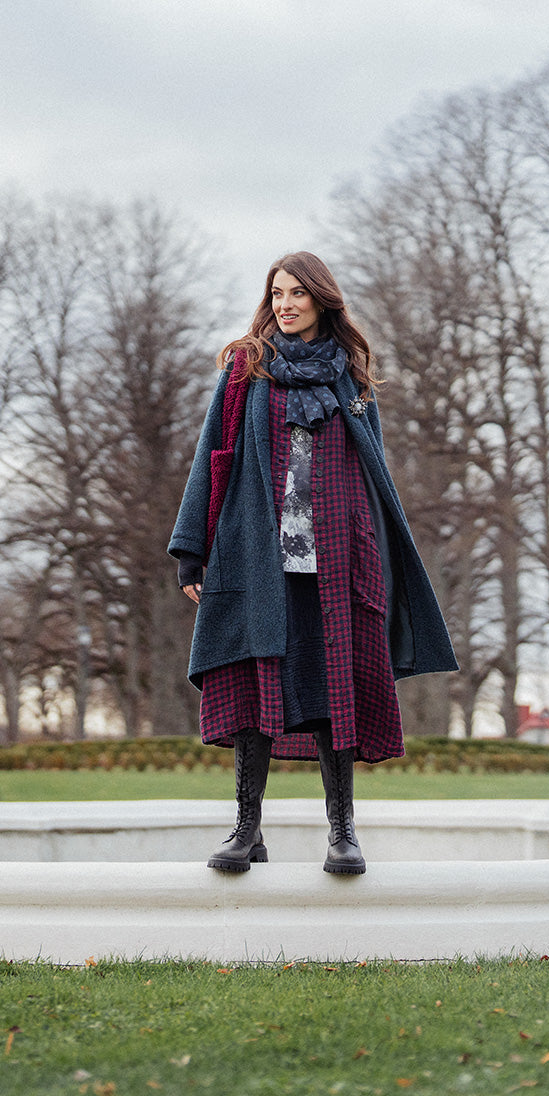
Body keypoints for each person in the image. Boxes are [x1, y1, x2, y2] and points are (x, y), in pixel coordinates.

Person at [169, 251, 457, 875]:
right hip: (257, 558)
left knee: (334, 690)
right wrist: (193, 550)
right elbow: (211, 456)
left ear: (323, 300)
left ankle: (343, 833)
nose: (285, 305)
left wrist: (378, 554)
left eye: (298, 294)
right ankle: (246, 829)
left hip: (339, 559)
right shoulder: (246, 371)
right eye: (277, 294)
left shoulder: (351, 380)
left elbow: (374, 473)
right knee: (254, 685)